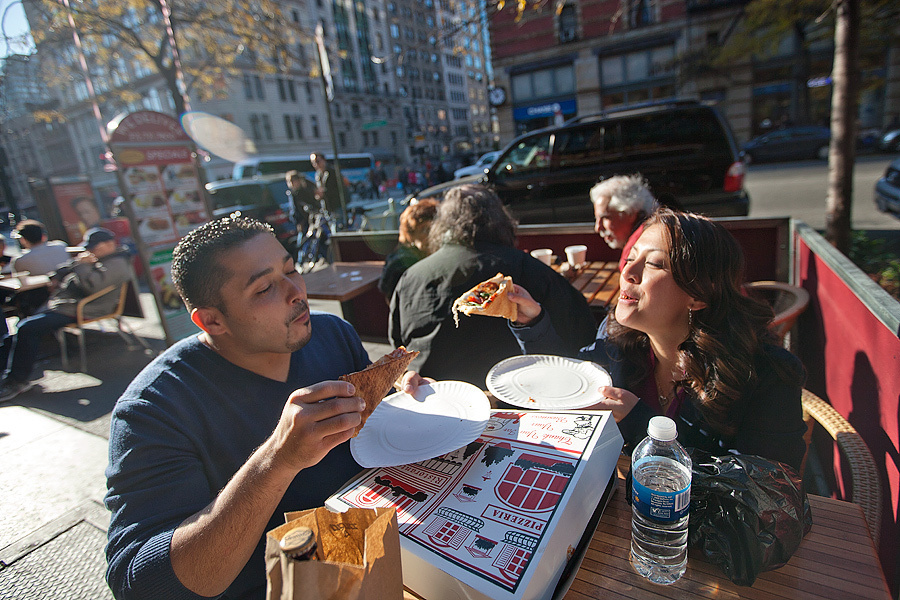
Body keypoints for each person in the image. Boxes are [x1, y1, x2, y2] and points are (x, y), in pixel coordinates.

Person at [104, 215, 427, 599]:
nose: (296, 292)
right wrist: (276, 460)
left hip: (383, 556)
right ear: (212, 321)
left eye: (291, 270)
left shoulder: (332, 333)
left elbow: (371, 426)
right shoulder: (154, 409)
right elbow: (139, 584)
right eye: (264, 288)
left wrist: (401, 395)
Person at [507, 209, 808, 471]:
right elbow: (569, 383)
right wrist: (533, 322)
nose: (628, 272)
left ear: (698, 295)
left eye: (654, 264)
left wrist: (642, 425)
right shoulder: (618, 342)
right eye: (631, 257)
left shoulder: (767, 375)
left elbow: (764, 486)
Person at [390, 183, 597, 386]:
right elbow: (582, 331)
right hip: (513, 393)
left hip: (433, 394)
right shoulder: (529, 268)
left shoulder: (410, 277)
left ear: (442, 226)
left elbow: (398, 345)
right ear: (501, 221)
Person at [0, 227, 133, 401]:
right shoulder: (102, 258)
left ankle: (16, 380)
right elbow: (69, 270)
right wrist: (68, 270)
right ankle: (9, 375)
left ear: (109, 244)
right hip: (67, 304)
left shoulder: (117, 263)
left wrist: (83, 265)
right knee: (21, 329)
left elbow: (91, 286)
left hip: (83, 308)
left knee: (27, 328)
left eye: (95, 247)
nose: (91, 250)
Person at [590, 174, 658, 271]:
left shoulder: (639, 248)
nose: (598, 227)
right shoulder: (653, 230)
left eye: (606, 217)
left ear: (630, 213)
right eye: (596, 219)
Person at [11, 219, 76, 317]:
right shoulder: (61, 246)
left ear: (23, 240)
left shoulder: (20, 260)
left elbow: (20, 282)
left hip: (47, 300)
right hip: (71, 291)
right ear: (43, 236)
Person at [378, 198, 439, 300]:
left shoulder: (434, 256)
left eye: (433, 229)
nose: (430, 235)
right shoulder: (400, 264)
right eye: (424, 229)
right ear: (411, 233)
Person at [310, 152, 347, 222]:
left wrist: (324, 192)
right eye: (313, 162)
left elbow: (340, 189)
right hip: (326, 207)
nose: (316, 164)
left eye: (317, 161)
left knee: (338, 225)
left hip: (336, 206)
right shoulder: (318, 175)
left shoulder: (332, 172)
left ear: (324, 160)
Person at [285, 169, 316, 236]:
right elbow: (294, 210)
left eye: (293, 181)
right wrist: (297, 222)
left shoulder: (304, 192)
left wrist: (302, 222)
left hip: (309, 221)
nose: (292, 184)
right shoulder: (292, 194)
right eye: (289, 181)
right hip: (301, 222)